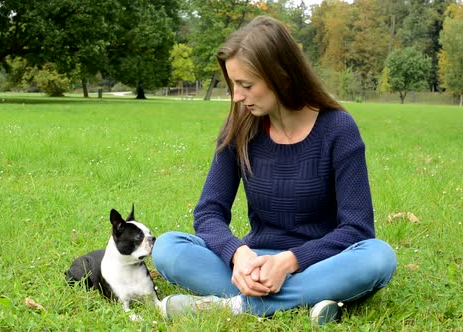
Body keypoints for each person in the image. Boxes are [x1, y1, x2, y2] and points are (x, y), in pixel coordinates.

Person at [151, 15, 397, 325]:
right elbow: (208, 213)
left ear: (280, 75)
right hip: (255, 259)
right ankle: (312, 300)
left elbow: (357, 229)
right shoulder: (239, 127)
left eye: (246, 85)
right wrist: (237, 254)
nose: (237, 96)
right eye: (233, 84)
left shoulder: (338, 129)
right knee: (168, 247)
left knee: (379, 257)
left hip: (320, 261)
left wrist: (290, 261)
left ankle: (232, 307)